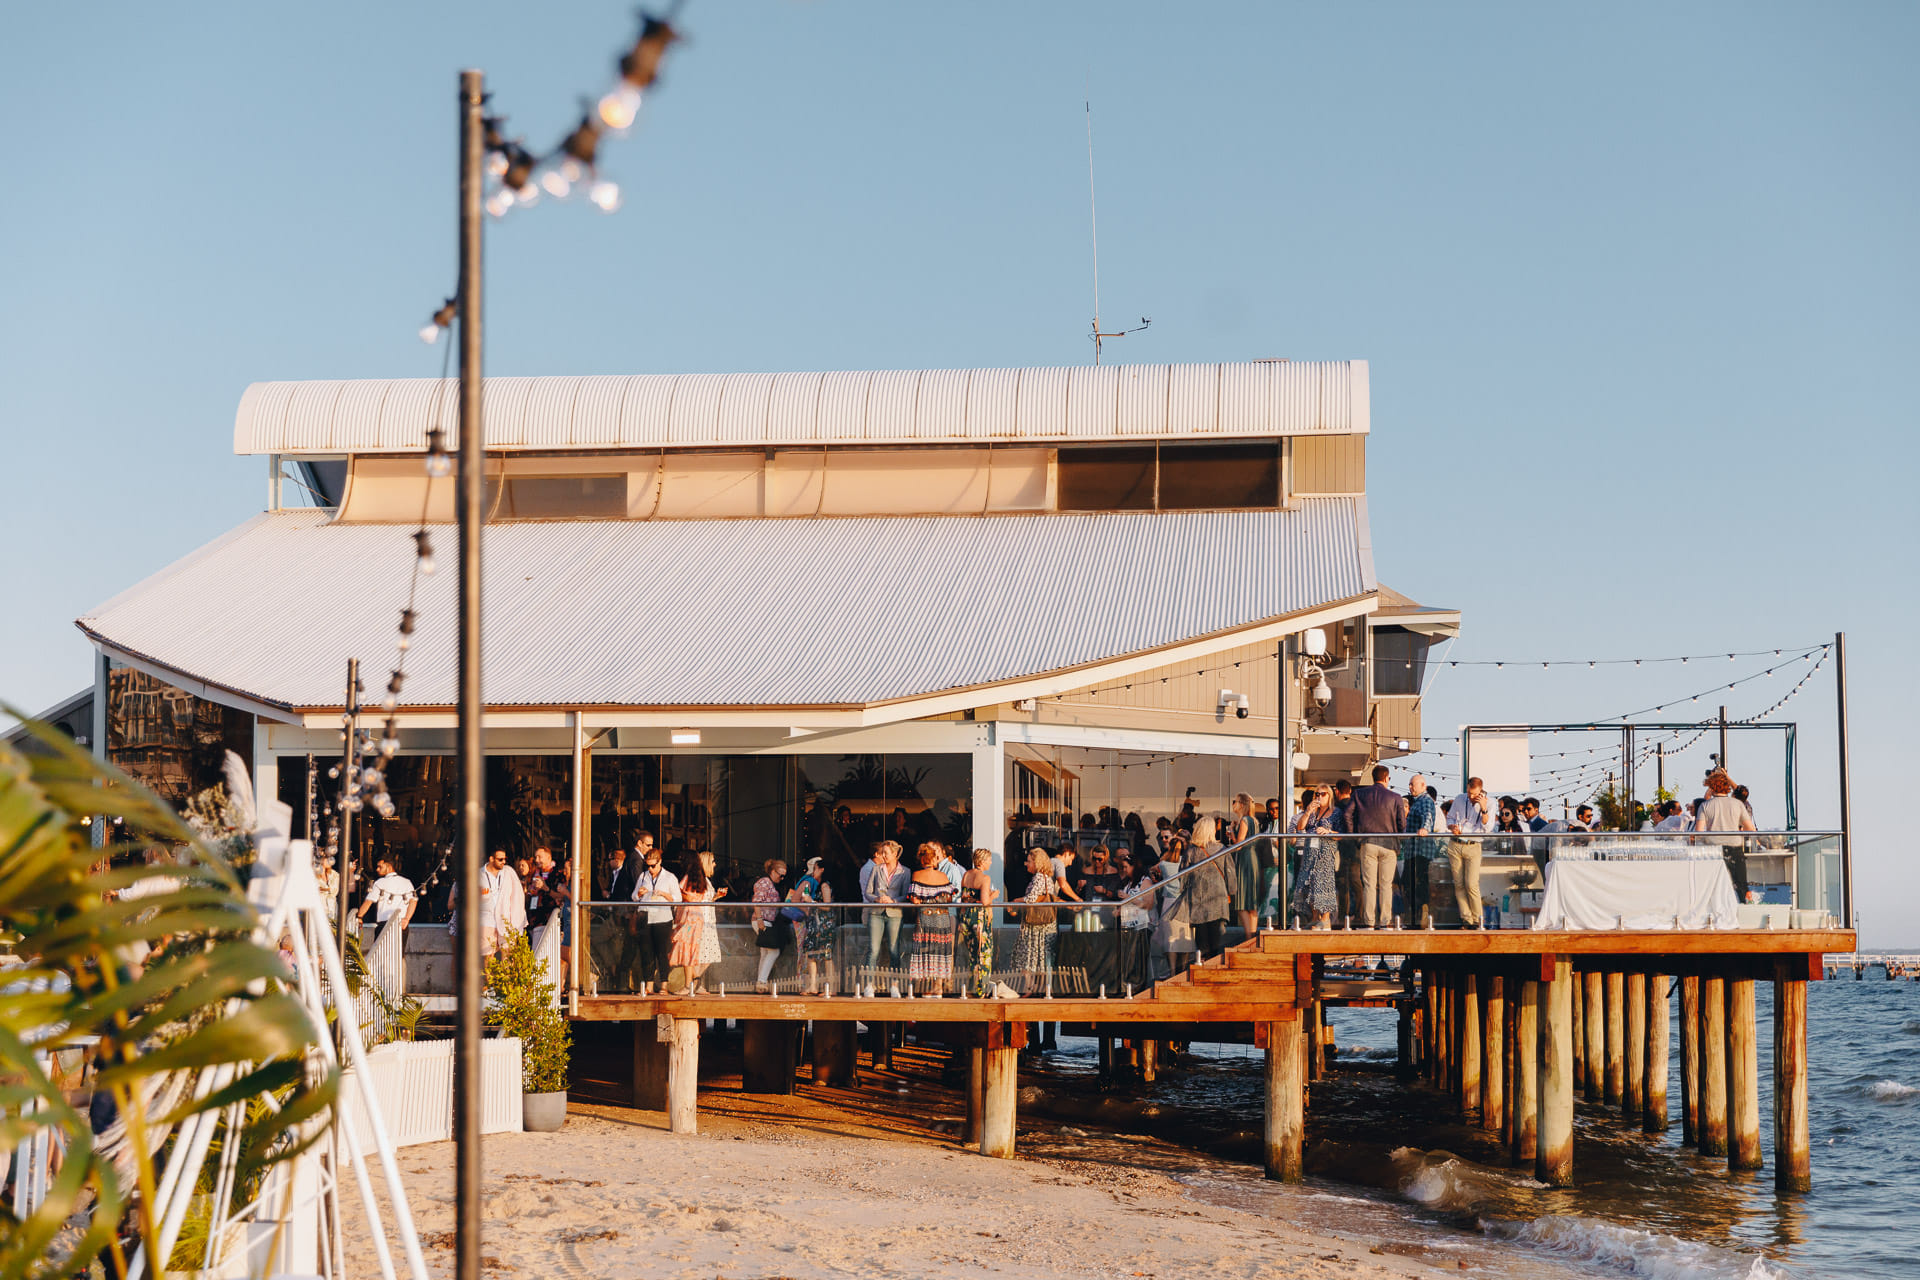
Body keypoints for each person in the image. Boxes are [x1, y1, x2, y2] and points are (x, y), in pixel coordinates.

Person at [1347, 766, 1408, 930]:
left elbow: (1348, 815)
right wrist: (1399, 836)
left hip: (1368, 842)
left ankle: (1369, 922)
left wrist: (1356, 836)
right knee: (1386, 885)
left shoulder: (1360, 794)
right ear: (1386, 778)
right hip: (1389, 844)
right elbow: (1403, 823)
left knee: (1369, 884)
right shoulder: (1395, 797)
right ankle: (1384, 922)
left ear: (1373, 778)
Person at [1694, 769, 1757, 902]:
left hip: (1713, 849)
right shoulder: (1738, 804)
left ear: (1711, 787)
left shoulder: (1705, 806)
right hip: (1735, 846)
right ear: (1727, 788)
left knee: (1714, 885)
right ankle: (1744, 909)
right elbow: (1750, 829)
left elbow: (1698, 833)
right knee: (1740, 883)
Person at [629, 840, 680, 996]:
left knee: (662, 953)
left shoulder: (670, 877)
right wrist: (639, 894)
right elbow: (633, 897)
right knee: (646, 952)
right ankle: (649, 986)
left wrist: (663, 894)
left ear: (660, 862)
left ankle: (664, 985)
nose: (650, 870)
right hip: (645, 916)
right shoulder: (643, 876)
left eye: (653, 866)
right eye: (648, 866)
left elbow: (678, 899)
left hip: (662, 918)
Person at [669, 849, 724, 994]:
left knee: (698, 953)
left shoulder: (695, 879)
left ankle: (693, 983)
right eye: (712, 862)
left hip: (696, 919)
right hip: (699, 919)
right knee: (696, 953)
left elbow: (686, 896)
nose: (714, 865)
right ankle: (694, 983)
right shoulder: (698, 879)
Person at [906, 843, 958, 992]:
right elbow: (949, 899)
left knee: (925, 951)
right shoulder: (943, 876)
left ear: (922, 859)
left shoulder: (917, 875)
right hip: (942, 918)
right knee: (941, 951)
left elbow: (914, 900)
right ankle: (938, 987)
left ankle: (927, 986)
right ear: (933, 859)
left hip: (925, 918)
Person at [1290, 785, 1341, 930]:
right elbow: (1300, 828)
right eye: (1317, 794)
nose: (1319, 796)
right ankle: (1314, 917)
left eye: (1323, 794)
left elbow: (1342, 834)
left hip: (1325, 853)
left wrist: (1328, 831)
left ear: (1329, 795)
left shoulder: (1336, 813)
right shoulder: (1313, 813)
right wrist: (1307, 812)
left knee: (1323, 883)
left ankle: (1325, 919)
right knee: (1309, 883)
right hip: (1309, 852)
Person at [1181, 816, 1232, 960]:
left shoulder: (1191, 851)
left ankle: (1203, 963)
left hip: (1198, 896)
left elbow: (1183, 874)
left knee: (1201, 936)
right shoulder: (1221, 848)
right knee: (1216, 933)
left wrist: (1184, 889)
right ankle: (1214, 963)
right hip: (1218, 896)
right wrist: (1232, 891)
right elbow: (1230, 872)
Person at [1446, 778, 1493, 929]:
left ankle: (1478, 920)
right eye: (1468, 793)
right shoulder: (1460, 799)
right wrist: (1452, 826)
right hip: (1455, 843)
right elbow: (1450, 817)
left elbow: (1487, 828)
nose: (1471, 797)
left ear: (1480, 791)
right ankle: (1466, 920)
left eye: (1473, 794)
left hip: (1473, 845)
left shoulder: (1491, 803)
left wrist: (1483, 808)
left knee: (1471, 884)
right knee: (1458, 884)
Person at [861, 841, 907, 979]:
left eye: (886, 853)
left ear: (894, 854)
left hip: (895, 913)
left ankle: (895, 984)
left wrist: (893, 901)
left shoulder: (905, 871)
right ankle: (868, 984)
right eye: (882, 853)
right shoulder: (876, 869)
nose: (883, 856)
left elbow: (906, 895)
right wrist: (877, 899)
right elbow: (868, 892)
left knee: (894, 950)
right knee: (873, 950)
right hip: (876, 913)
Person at [1015, 847, 1058, 993]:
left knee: (1029, 958)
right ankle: (1040, 988)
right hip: (1045, 925)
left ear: (1036, 862)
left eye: (1028, 861)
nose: (1026, 864)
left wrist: (1015, 901)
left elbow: (1031, 899)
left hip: (1036, 926)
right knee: (1041, 959)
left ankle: (1030, 988)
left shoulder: (1039, 877)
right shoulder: (1046, 878)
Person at [793, 857, 835, 993]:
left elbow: (827, 906)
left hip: (823, 924)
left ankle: (831, 987)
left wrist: (810, 901)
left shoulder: (824, 885)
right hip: (816, 923)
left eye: (816, 868)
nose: (813, 872)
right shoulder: (820, 884)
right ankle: (813, 985)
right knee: (811, 954)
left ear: (821, 870)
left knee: (826, 955)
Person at [959, 848, 997, 997]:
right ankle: (982, 990)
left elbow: (964, 897)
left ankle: (969, 988)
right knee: (984, 953)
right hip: (979, 917)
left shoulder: (966, 875)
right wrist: (993, 895)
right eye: (989, 859)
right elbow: (985, 901)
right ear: (982, 861)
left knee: (971, 954)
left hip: (966, 916)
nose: (991, 862)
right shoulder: (984, 878)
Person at [1403, 775, 1441, 926]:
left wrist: (1425, 828)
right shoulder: (1418, 801)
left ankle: (1420, 914)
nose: (1410, 787)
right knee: (1412, 882)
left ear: (1423, 785)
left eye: (1413, 784)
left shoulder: (1425, 800)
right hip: (1414, 849)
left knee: (1415, 882)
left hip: (1420, 849)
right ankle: (1417, 914)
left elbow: (1428, 816)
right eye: (1410, 784)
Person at [476, 848, 525, 959]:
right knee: (488, 956)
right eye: (500, 859)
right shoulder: (479, 875)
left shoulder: (508, 872)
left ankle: (507, 977)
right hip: (487, 919)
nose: (504, 861)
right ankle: (489, 977)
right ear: (491, 859)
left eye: (505, 859)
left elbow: (517, 894)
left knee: (508, 954)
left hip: (505, 918)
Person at [357, 855, 417, 945]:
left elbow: (369, 901)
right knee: (399, 955)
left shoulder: (380, 883)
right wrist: (407, 919)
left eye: (380, 866)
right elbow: (413, 901)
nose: (377, 869)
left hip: (384, 924)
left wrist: (359, 916)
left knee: (380, 954)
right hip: (401, 924)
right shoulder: (406, 882)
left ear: (389, 867)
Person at [751, 859, 791, 990]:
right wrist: (760, 919)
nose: (782, 878)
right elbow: (757, 901)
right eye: (780, 874)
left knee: (765, 953)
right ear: (773, 872)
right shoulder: (764, 882)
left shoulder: (769, 883)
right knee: (774, 951)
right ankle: (761, 981)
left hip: (765, 920)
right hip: (763, 920)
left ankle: (760, 982)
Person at [1226, 793, 1261, 938]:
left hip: (1245, 859)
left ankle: (1249, 938)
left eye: (1235, 801)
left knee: (1242, 903)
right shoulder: (1254, 820)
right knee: (1251, 902)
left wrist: (1231, 832)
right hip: (1253, 859)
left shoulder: (1245, 820)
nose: (1233, 804)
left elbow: (1239, 844)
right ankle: (1251, 937)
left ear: (1241, 804)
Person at [1330, 779, 1359, 924]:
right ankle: (1359, 916)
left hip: (1342, 849)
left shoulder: (1337, 808)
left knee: (1343, 884)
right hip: (1357, 849)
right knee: (1358, 884)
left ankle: (1343, 917)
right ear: (1350, 790)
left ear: (1337, 791)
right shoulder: (1357, 806)